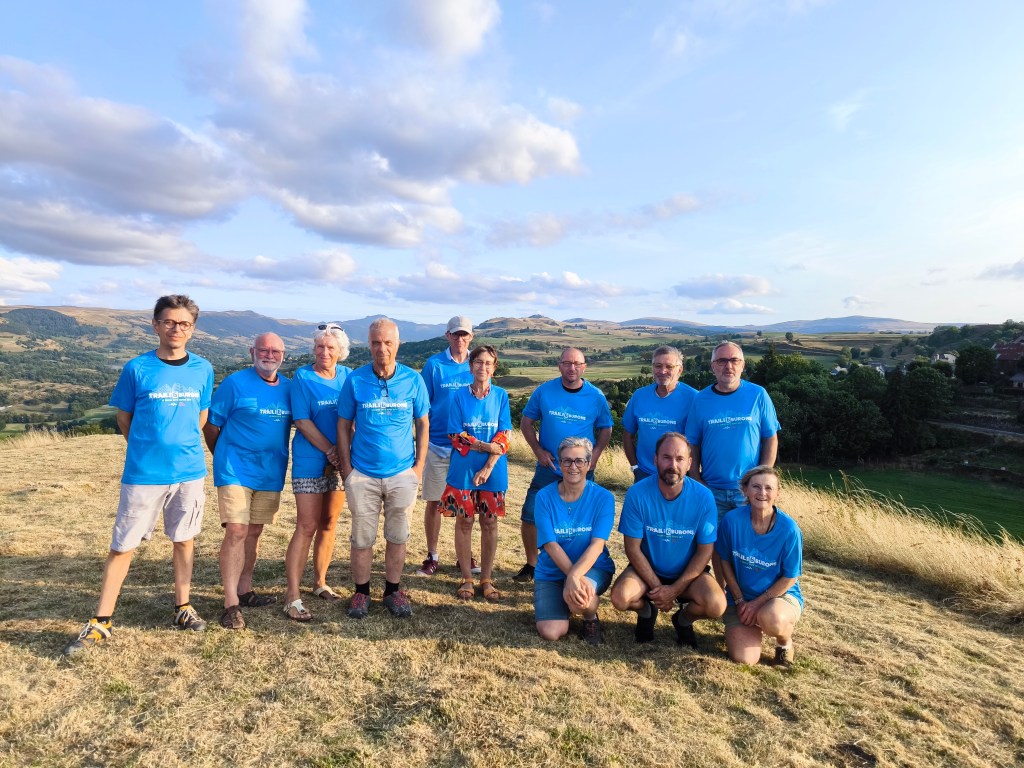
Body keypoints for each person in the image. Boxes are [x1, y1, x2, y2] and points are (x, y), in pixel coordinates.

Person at [62, 295, 213, 656]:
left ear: (192, 329)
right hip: (144, 473)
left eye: (184, 324)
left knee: (184, 540)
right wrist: (147, 447)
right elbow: (124, 418)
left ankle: (183, 607)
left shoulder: (203, 369)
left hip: (189, 471)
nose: (176, 329)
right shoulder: (137, 368)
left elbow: (201, 417)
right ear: (155, 325)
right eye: (169, 322)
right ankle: (101, 620)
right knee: (123, 546)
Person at [336, 318, 429, 619]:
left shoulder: (413, 380)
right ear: (369, 345)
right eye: (376, 342)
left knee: (397, 536)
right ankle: (361, 593)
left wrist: (418, 468)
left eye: (388, 342)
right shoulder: (355, 380)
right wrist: (347, 470)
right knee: (362, 537)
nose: (382, 349)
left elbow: (423, 423)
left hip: (402, 473)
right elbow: (342, 425)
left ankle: (392, 591)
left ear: (397, 344)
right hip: (362, 473)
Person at [204, 333, 292, 630]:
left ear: (284, 355)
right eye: (264, 350)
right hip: (234, 470)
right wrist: (223, 456)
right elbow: (212, 426)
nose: (269, 355)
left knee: (254, 531)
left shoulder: (289, 389)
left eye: (275, 350)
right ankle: (230, 604)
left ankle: (245, 590)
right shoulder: (235, 383)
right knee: (237, 531)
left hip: (270, 471)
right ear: (252, 351)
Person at [610, 432, 725, 647]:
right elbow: (632, 548)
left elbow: (704, 551)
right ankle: (646, 611)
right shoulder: (637, 493)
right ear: (655, 459)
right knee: (620, 598)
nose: (673, 464)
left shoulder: (703, 496)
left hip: (687, 575)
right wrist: (659, 589)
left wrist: (674, 590)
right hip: (648, 571)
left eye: (680, 459)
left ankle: (683, 620)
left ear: (690, 463)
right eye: (666, 457)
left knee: (717, 605)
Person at [515, 347, 613, 583]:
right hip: (549, 467)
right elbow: (526, 423)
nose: (572, 368)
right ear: (559, 365)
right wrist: (538, 450)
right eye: (567, 363)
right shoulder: (544, 391)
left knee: (582, 521)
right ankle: (532, 564)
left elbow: (606, 428)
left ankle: (579, 565)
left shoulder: (596, 396)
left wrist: (595, 455)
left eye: (577, 364)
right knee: (530, 515)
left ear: (584, 367)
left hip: (582, 470)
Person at [280, 324, 352, 621]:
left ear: (340, 352)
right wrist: (332, 451)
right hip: (311, 458)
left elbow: (355, 415)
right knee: (306, 525)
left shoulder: (348, 377)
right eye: (320, 347)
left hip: (341, 460)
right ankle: (292, 595)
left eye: (330, 348)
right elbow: (302, 419)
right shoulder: (303, 376)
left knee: (329, 522)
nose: (324, 352)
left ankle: (320, 582)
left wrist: (342, 453)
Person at [439, 345, 511, 601]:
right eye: (478, 362)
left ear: (494, 367)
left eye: (488, 363)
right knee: (465, 522)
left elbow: (504, 436)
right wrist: (485, 446)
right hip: (463, 471)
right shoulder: (458, 397)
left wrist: (488, 465)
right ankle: (467, 579)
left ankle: (487, 579)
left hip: (493, 471)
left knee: (490, 523)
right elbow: (456, 436)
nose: (482, 367)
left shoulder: (502, 396)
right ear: (470, 366)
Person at [716, 465, 804, 667]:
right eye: (756, 486)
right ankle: (748, 629)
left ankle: (784, 644)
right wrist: (739, 600)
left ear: (777, 493)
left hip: (778, 597)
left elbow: (790, 577)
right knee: (745, 659)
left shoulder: (789, 530)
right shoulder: (731, 521)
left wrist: (757, 604)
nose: (762, 493)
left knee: (773, 619)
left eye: (768, 488)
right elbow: (725, 560)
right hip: (741, 598)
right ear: (745, 490)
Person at [533, 437, 616, 645]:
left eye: (579, 461)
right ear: (559, 464)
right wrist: (572, 576)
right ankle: (564, 598)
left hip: (593, 568)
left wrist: (575, 577)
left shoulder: (604, 498)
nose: (573, 466)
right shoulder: (543, 497)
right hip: (551, 572)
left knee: (579, 601)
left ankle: (590, 617)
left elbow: (597, 545)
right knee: (551, 632)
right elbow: (550, 545)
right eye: (567, 461)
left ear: (589, 464)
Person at [685, 341, 780, 517]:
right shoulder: (700, 399)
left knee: (746, 543)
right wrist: (696, 479)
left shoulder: (758, 395)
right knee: (712, 543)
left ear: (742, 365)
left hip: (748, 492)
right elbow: (692, 442)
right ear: (713, 366)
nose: (728, 366)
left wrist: (762, 480)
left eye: (734, 360)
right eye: (722, 361)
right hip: (711, 491)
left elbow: (770, 438)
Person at [416, 316, 476, 577]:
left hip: (468, 448)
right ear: (447, 336)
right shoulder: (434, 364)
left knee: (466, 504)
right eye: (455, 334)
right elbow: (423, 406)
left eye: (465, 335)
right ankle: (432, 555)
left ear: (471, 337)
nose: (460, 339)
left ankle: (465, 555)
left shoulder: (477, 364)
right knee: (434, 501)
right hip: (438, 443)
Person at [622, 345, 697, 483]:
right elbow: (628, 434)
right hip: (644, 474)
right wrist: (635, 467)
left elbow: (698, 441)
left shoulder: (693, 398)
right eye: (658, 366)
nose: (662, 371)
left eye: (669, 367)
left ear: (679, 370)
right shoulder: (639, 396)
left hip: (679, 475)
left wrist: (693, 474)